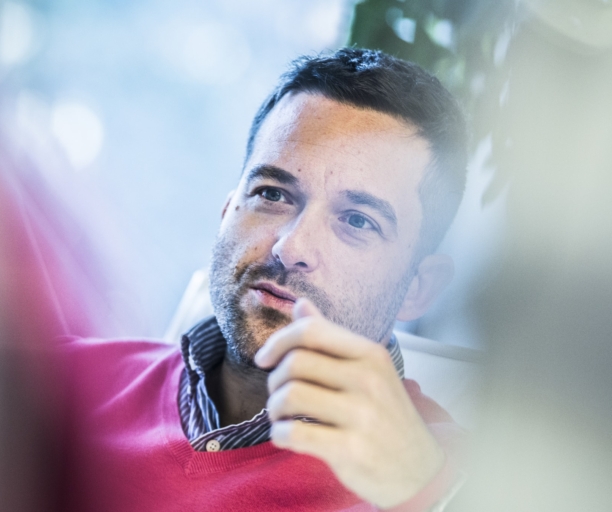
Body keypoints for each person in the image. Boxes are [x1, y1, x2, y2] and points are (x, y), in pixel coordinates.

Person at [55, 48, 469, 511]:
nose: (291, 248)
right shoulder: (60, 381)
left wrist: (427, 492)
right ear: (228, 210)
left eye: (357, 220)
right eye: (272, 194)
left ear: (418, 287)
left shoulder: (459, 479)